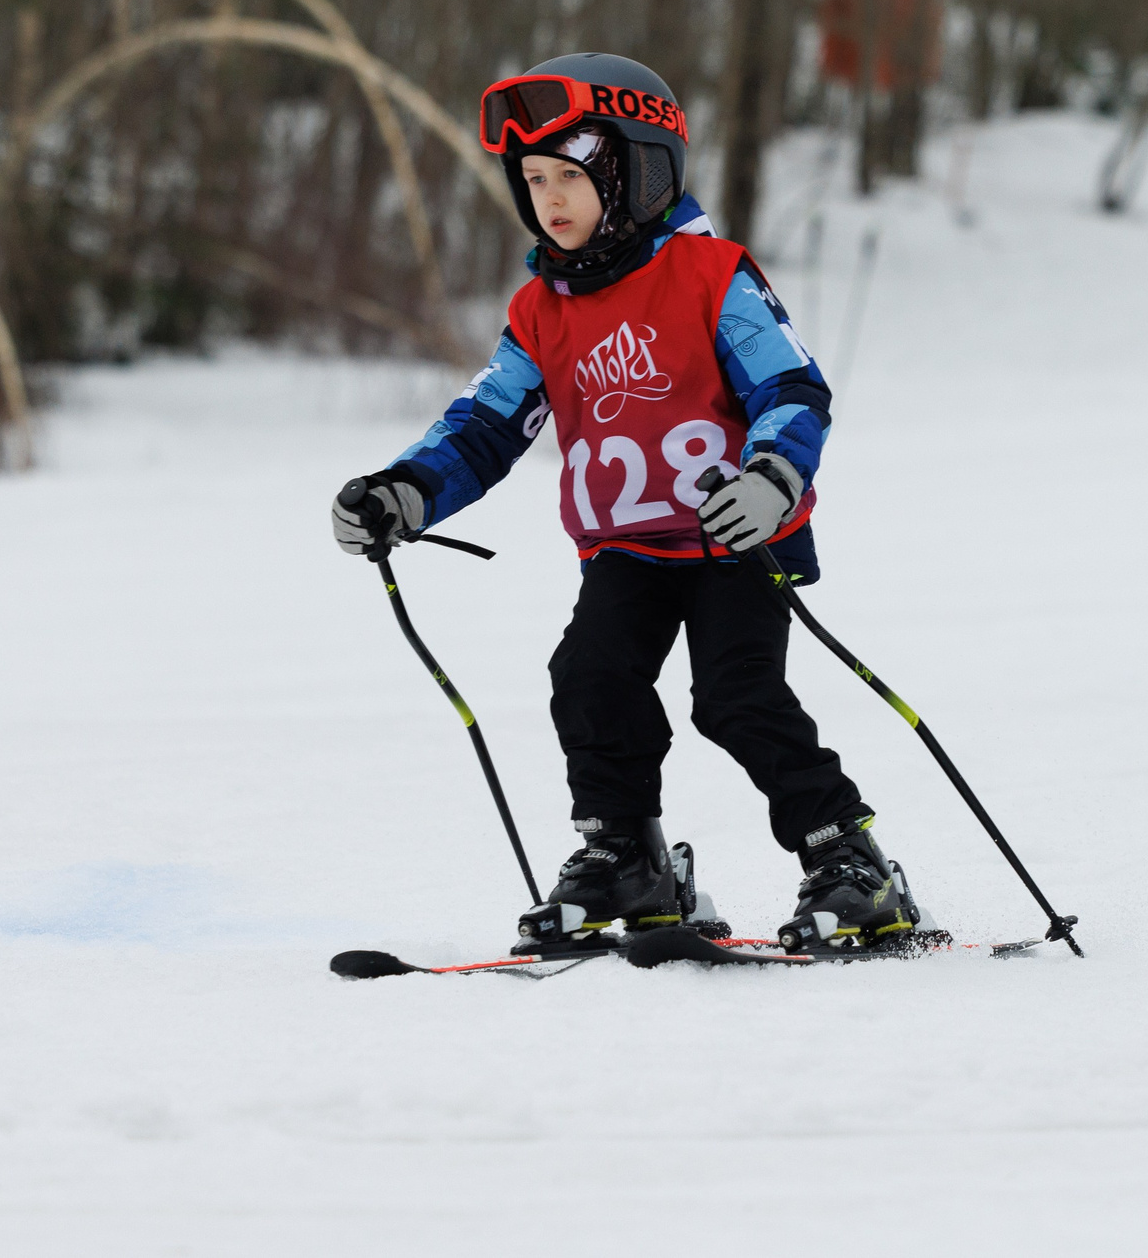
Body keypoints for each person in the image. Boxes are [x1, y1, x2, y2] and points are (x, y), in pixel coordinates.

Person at [329, 52, 919, 954]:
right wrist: (405, 491)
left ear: (638, 173)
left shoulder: (712, 275)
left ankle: (850, 862)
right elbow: (486, 427)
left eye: (571, 176)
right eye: (533, 180)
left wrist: (771, 477)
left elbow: (795, 391)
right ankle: (626, 858)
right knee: (591, 679)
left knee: (736, 696)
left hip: (734, 538)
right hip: (627, 550)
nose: (550, 199)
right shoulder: (542, 310)